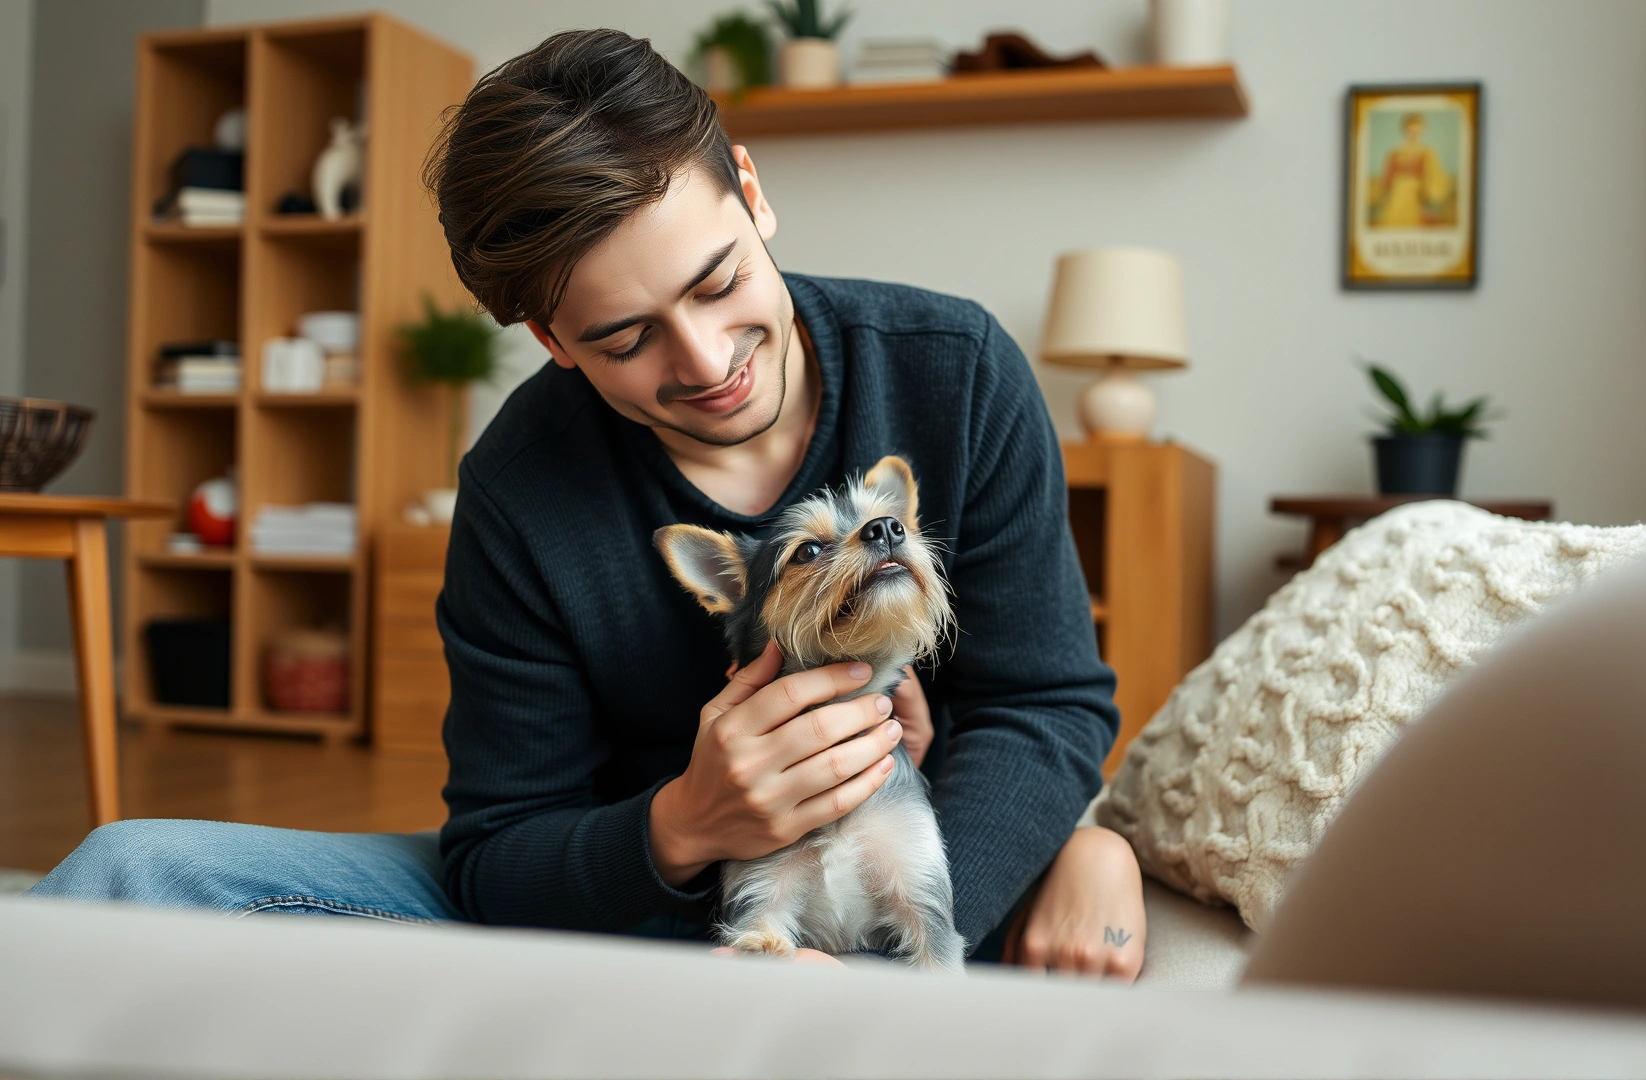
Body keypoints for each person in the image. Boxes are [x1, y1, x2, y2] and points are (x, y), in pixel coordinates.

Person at [31, 28, 1147, 980]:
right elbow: (496, 850)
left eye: (717, 282)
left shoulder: (955, 369)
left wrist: (908, 946)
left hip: (908, 899)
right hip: (624, 919)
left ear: (752, 193)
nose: (709, 361)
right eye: (624, 338)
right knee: (126, 876)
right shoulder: (522, 490)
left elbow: (1044, 705)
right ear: (552, 342)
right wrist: (690, 821)